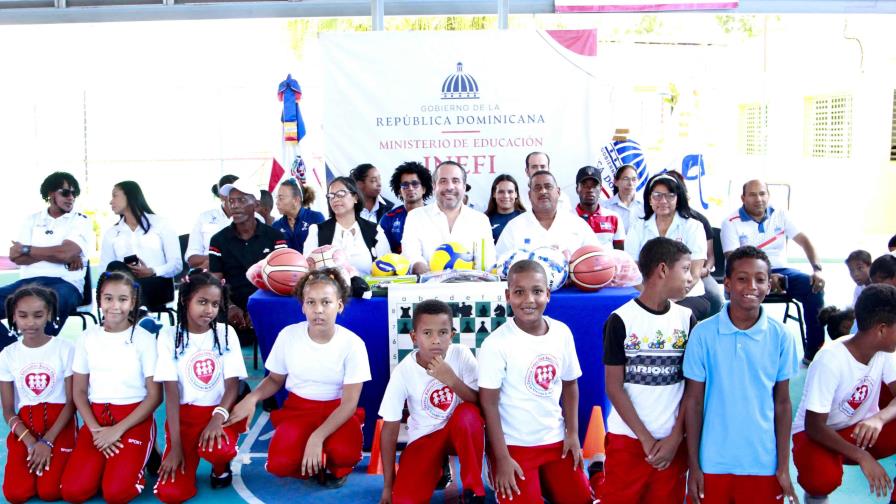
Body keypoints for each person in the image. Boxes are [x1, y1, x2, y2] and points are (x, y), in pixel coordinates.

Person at [226, 268, 370, 488]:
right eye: (311, 302)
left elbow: (349, 404)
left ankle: (334, 465)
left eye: (326, 302)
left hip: (337, 409)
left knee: (344, 454)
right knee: (280, 465)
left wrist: (317, 437)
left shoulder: (353, 344)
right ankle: (313, 460)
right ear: (303, 306)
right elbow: (275, 380)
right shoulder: (288, 335)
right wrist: (251, 398)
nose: (318, 310)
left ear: (339, 306)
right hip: (299, 408)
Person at [682, 246, 800, 504]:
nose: (751, 286)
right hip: (712, 461)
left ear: (770, 285)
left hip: (763, 463)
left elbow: (782, 404)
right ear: (727, 283)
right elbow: (693, 402)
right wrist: (694, 465)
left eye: (760, 279)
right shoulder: (703, 334)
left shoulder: (781, 336)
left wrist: (782, 466)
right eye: (742, 278)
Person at [478, 260, 594, 504]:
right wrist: (502, 459)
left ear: (548, 295)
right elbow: (488, 403)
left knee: (580, 499)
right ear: (508, 296)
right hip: (515, 447)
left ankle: (552, 481)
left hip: (556, 442)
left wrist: (572, 435)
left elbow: (570, 385)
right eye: (519, 292)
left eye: (537, 291)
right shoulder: (496, 344)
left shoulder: (562, 332)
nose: (528, 299)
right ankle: (507, 477)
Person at [598, 237, 696, 503]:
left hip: (672, 443)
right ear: (663, 270)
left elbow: (692, 387)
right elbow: (613, 387)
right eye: (685, 269)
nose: (691, 277)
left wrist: (676, 437)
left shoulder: (686, 319)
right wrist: (645, 439)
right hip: (628, 440)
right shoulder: (620, 320)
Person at [60, 271, 162, 503]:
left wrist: (117, 430)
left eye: (123, 299)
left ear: (133, 302)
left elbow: (155, 396)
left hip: (133, 419)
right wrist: (96, 430)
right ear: (100, 301)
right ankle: (108, 465)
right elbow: (79, 392)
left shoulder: (144, 339)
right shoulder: (87, 338)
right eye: (108, 298)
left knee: (116, 493)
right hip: (96, 420)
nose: (115, 306)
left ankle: (144, 454)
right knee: (73, 492)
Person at [792, 284, 896, 503]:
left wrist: (879, 418)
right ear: (882, 329)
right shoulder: (830, 360)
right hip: (817, 434)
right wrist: (862, 456)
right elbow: (814, 426)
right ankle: (815, 496)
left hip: (858, 430)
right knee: (821, 479)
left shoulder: (884, 351)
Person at [378, 299, 485, 504]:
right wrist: (388, 487)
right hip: (425, 437)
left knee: (468, 414)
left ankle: (474, 490)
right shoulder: (403, 371)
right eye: (427, 333)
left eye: (442, 333)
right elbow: (389, 429)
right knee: (405, 500)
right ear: (413, 337)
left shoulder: (461, 354)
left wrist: (452, 380)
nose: (436, 340)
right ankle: (437, 468)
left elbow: (482, 402)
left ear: (451, 335)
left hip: (459, 432)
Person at [153, 271, 248, 502]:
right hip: (185, 418)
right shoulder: (168, 336)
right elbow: (172, 395)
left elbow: (232, 386)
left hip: (220, 413)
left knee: (218, 449)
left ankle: (221, 466)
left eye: (215, 304)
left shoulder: (226, 333)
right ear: (186, 300)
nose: (209, 310)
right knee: (170, 494)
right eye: (202, 302)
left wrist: (217, 419)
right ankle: (184, 455)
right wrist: (174, 446)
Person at [720, 179, 826, 362]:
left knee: (814, 288)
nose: (758, 199)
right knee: (741, 288)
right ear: (743, 198)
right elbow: (734, 260)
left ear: (768, 196)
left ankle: (814, 353)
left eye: (762, 193)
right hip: (746, 275)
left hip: (781, 271)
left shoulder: (781, 214)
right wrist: (766, 277)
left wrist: (817, 270)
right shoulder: (730, 222)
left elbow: (805, 241)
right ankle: (738, 353)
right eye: (752, 194)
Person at [0, 285, 76, 503]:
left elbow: (71, 402)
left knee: (50, 492)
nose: (30, 322)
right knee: (15, 494)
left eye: (38, 315)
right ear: (13, 316)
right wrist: (31, 443)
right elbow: (7, 410)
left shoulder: (65, 348)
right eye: (23, 316)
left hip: (59, 426)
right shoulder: (7, 355)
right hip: (25, 430)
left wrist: (48, 442)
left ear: (49, 314)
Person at [0, 172, 93, 347]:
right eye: (65, 192)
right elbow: (16, 257)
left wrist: (28, 250)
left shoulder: (81, 221)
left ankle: (38, 352)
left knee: (50, 304)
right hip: (28, 283)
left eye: (74, 193)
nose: (71, 197)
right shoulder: (31, 220)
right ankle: (13, 350)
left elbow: (65, 253)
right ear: (51, 194)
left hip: (66, 283)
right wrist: (58, 255)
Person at [209, 179, 287, 345]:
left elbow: (282, 280)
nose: (235, 206)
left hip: (266, 303)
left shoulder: (275, 237)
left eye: (242, 200)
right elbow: (215, 282)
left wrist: (258, 306)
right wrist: (229, 307)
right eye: (231, 201)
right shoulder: (218, 240)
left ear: (256, 204)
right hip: (231, 307)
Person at [625, 174, 712, 320]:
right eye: (657, 195)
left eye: (670, 195)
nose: (663, 201)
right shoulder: (638, 227)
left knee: (671, 318)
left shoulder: (693, 226)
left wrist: (667, 299)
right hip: (646, 294)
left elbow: (694, 274)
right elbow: (633, 269)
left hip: (687, 295)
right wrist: (652, 297)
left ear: (678, 199)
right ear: (649, 199)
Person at [401, 161, 496, 274]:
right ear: (434, 186)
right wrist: (429, 274)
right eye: (443, 181)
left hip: (470, 288)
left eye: (455, 181)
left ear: (464, 187)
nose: (450, 187)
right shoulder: (415, 217)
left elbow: (487, 263)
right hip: (427, 288)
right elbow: (411, 256)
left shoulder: (481, 221)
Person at [100, 180, 182, 310]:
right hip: (123, 288)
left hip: (157, 285)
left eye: (115, 195)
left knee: (128, 289)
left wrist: (152, 271)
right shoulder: (112, 233)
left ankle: (138, 314)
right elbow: (104, 270)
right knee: (115, 267)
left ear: (129, 195)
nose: (111, 201)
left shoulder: (160, 224)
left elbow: (176, 265)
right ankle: (140, 315)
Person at [496, 171, 599, 259]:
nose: (543, 191)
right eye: (537, 188)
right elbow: (499, 265)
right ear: (529, 195)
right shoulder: (514, 227)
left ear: (558, 192)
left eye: (548, 186)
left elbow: (597, 258)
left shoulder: (578, 225)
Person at [304, 177, 390, 276]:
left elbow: (387, 268)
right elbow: (307, 269)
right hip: (330, 290)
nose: (335, 199)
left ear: (355, 198)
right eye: (331, 196)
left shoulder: (374, 230)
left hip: (368, 290)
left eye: (341, 194)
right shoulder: (317, 231)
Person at [665, 170, 723, 316]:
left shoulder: (699, 220)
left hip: (697, 272)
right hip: (666, 274)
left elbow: (710, 257)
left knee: (715, 297)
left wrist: (706, 269)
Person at [184, 174, 239, 271]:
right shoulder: (204, 218)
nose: (236, 200)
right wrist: (221, 258)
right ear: (221, 196)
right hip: (210, 276)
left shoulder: (254, 218)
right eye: (231, 194)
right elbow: (192, 259)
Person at [379, 161, 433, 253]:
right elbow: (383, 253)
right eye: (405, 185)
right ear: (399, 191)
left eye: (415, 184)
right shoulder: (389, 218)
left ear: (424, 189)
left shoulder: (435, 215)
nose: (410, 188)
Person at [574, 166, 625, 250]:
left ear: (600, 189)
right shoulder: (567, 218)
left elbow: (620, 254)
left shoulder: (614, 218)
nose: (590, 189)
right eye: (585, 185)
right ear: (577, 189)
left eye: (594, 185)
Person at [272, 178, 325, 252]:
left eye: (281, 198)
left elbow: (324, 249)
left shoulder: (315, 218)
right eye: (277, 198)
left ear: (296, 200)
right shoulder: (276, 226)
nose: (277, 202)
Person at [600, 164, 645, 233]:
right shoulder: (606, 207)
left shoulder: (645, 205)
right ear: (615, 182)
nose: (630, 183)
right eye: (626, 179)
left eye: (634, 179)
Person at [485, 174, 526, 243]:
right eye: (501, 192)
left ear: (516, 194)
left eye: (510, 192)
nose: (506, 196)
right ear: (494, 194)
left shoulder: (526, 218)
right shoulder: (484, 220)